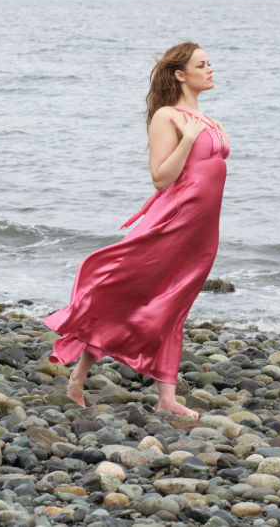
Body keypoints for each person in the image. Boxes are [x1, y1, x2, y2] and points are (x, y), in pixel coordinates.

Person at [42, 41, 229, 419]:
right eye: (202, 64)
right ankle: (78, 378)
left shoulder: (210, 119)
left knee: (175, 306)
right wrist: (189, 140)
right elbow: (161, 178)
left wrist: (199, 134)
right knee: (128, 296)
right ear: (180, 74)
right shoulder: (168, 117)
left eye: (210, 63)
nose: (211, 70)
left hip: (202, 230)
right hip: (172, 222)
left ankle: (166, 397)